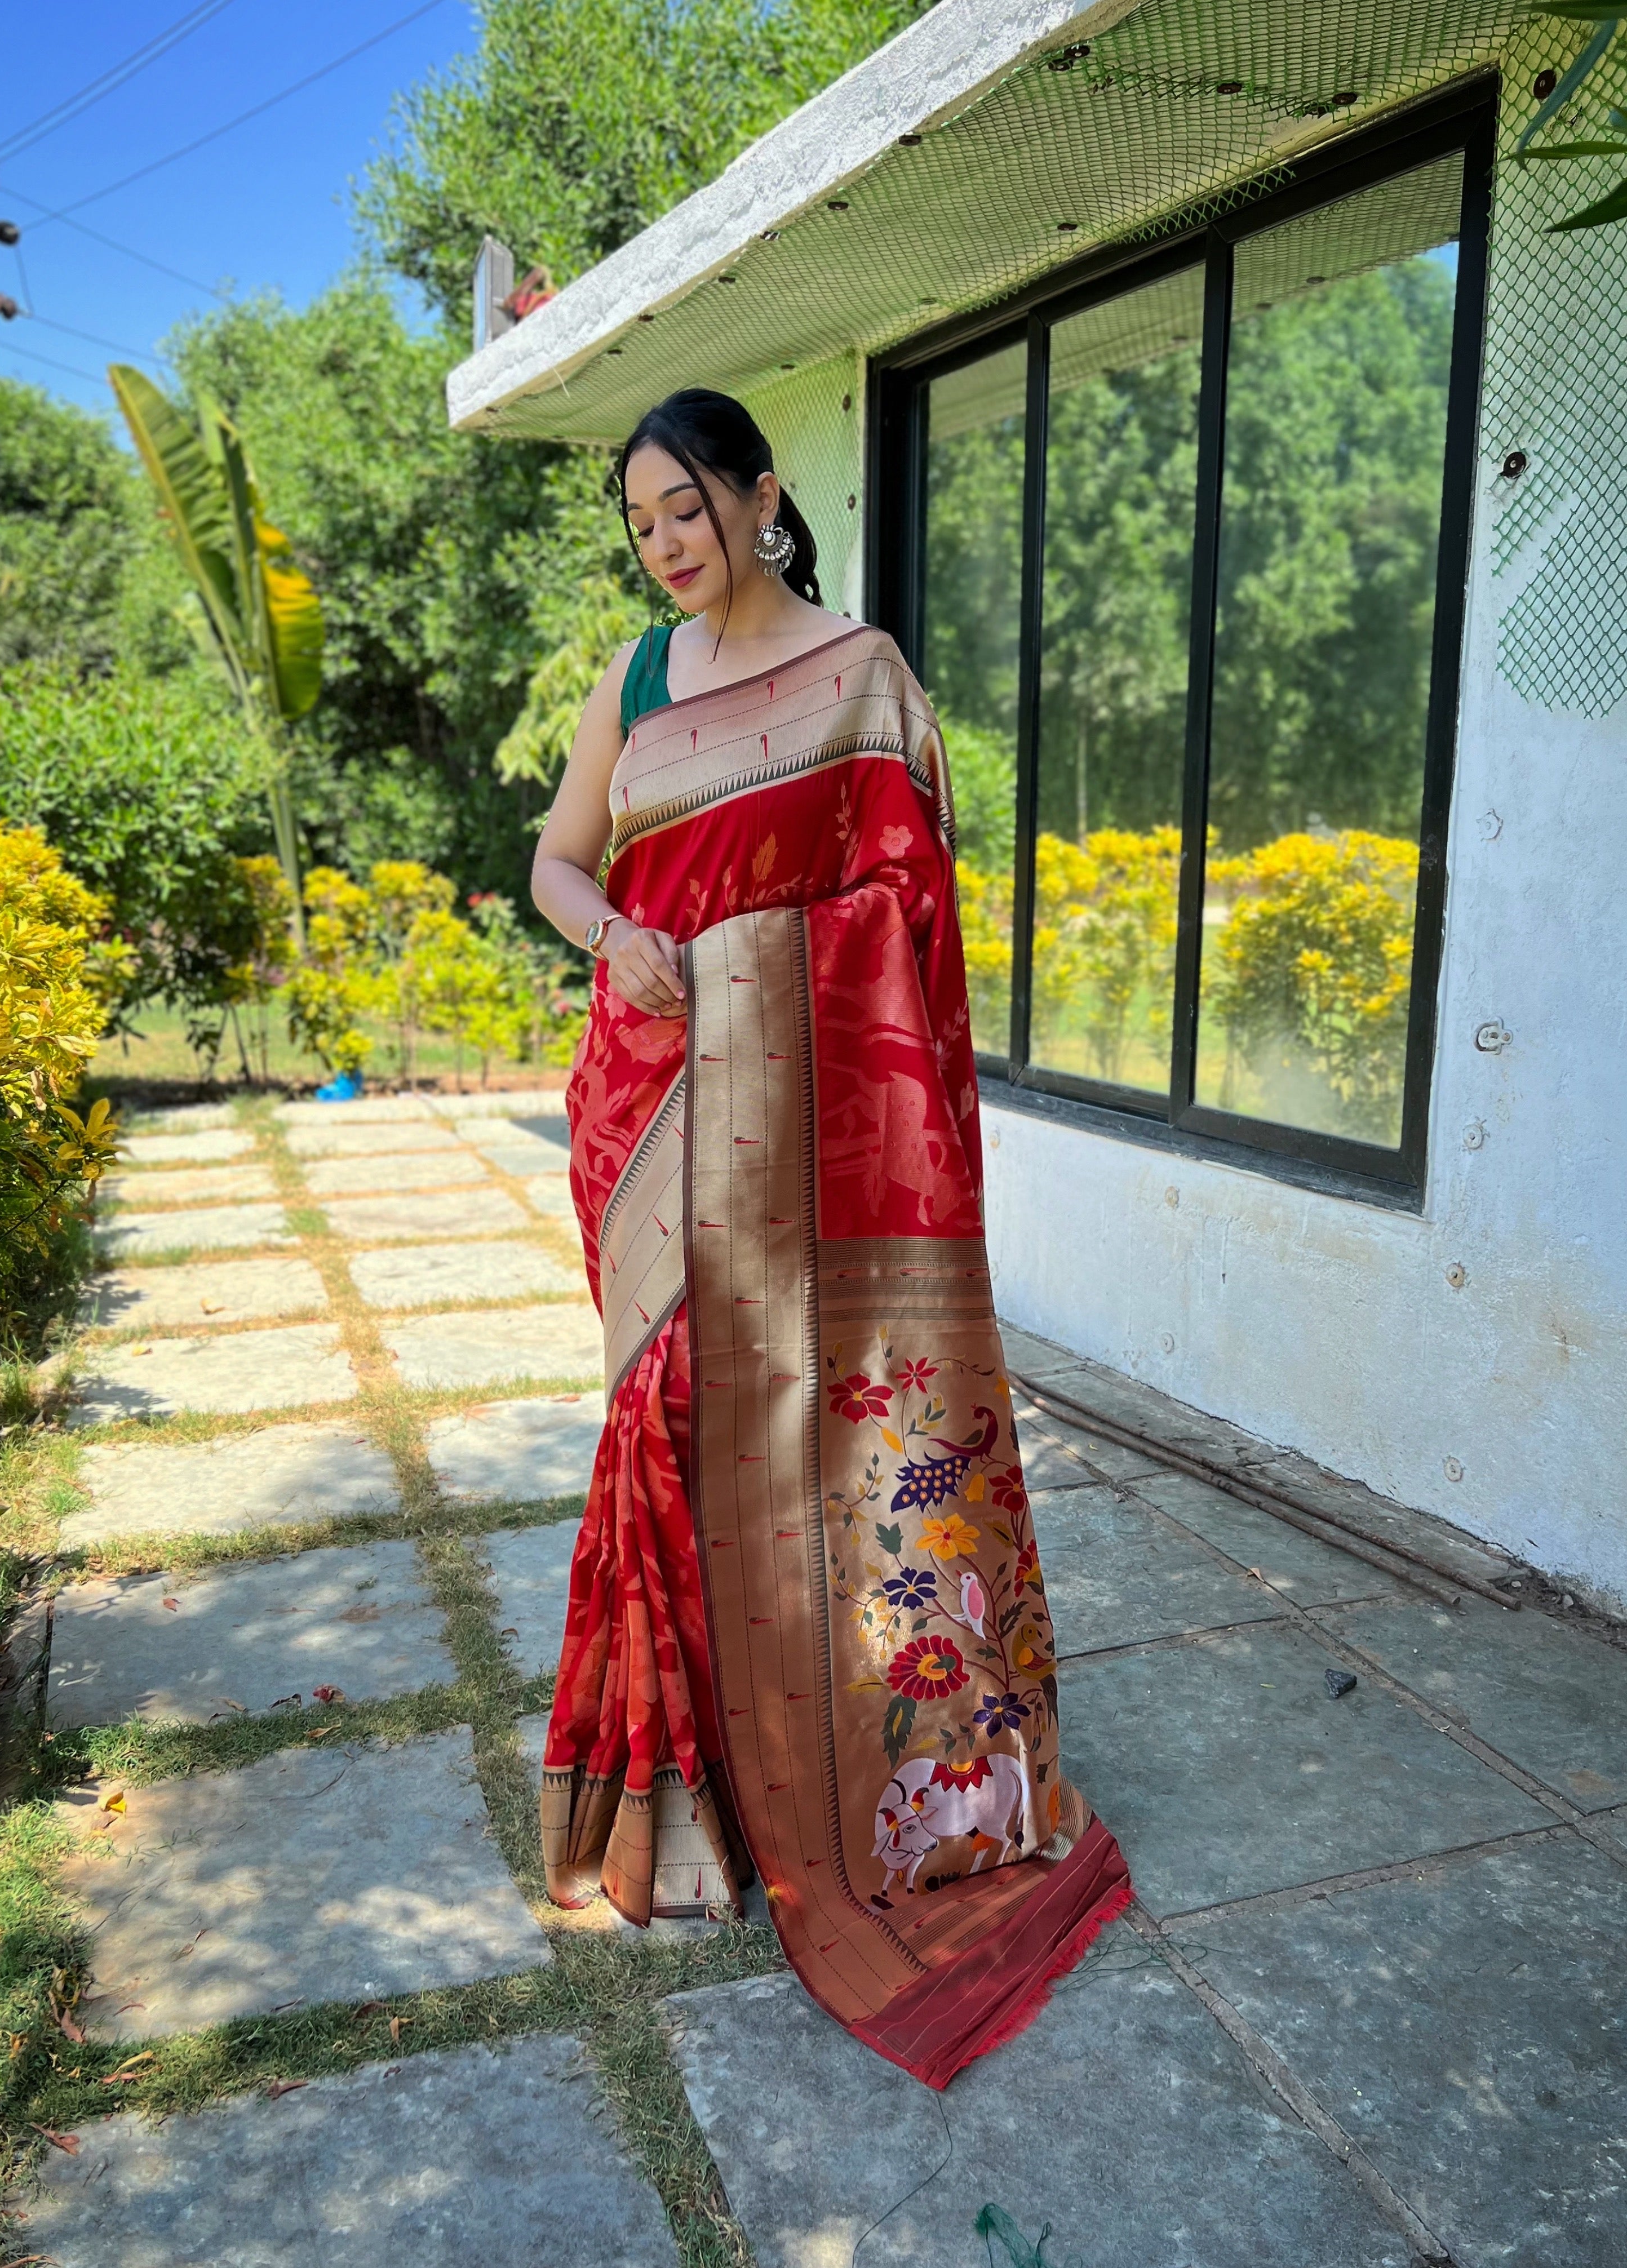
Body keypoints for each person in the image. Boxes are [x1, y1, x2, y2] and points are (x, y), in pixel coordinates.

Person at [529, 388, 1129, 2088]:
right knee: (673, 1432)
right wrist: (622, 937)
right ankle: (693, 1798)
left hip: (825, 1141)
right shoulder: (636, 686)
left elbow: (912, 910)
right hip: (654, 1114)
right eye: (641, 520)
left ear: (759, 492)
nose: (665, 542)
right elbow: (559, 865)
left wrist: (779, 963)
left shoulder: (862, 673)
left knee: (837, 1450)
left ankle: (878, 1769)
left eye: (686, 508)